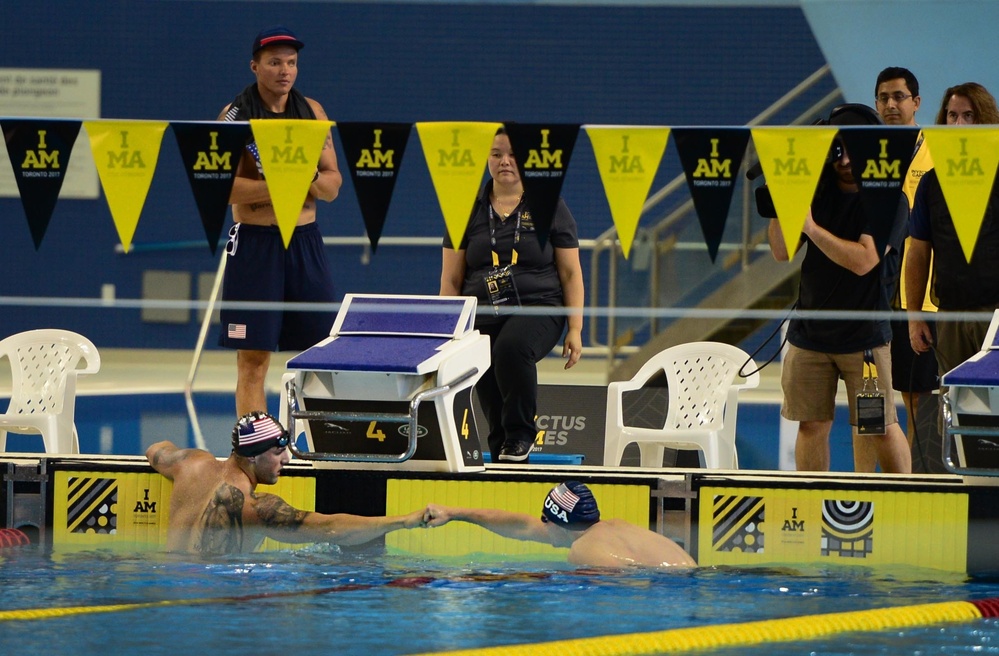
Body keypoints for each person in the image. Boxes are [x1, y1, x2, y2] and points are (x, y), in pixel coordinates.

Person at [767, 104, 911, 473]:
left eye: (853, 149)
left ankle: (904, 502)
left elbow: (865, 260)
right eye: (837, 149)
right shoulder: (818, 190)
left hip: (863, 339)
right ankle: (813, 506)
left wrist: (813, 229)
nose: (844, 159)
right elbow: (782, 252)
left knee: (877, 425)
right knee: (811, 425)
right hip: (810, 333)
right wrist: (786, 200)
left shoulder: (889, 198)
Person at [217, 26, 342, 417]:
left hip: (304, 242)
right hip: (256, 243)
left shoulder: (313, 114)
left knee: (320, 353)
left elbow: (333, 184)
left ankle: (320, 441)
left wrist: (301, 180)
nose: (284, 71)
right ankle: (255, 450)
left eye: (291, 63)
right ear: (255, 67)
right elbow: (221, 189)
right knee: (253, 360)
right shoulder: (234, 118)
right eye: (274, 63)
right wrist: (283, 184)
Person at [440, 128, 584, 463]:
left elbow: (571, 273)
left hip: (539, 308)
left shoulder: (549, 205)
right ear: (486, 159)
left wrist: (575, 329)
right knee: (483, 357)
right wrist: (448, 332)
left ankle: (521, 434)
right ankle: (502, 443)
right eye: (496, 154)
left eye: (513, 154)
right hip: (482, 310)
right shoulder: (463, 208)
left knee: (511, 347)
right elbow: (452, 278)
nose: (505, 161)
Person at [146, 411, 428, 555]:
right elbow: (332, 529)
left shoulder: (189, 464)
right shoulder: (256, 508)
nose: (287, 460)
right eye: (278, 452)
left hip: (169, 581)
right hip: (212, 603)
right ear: (254, 456)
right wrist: (401, 521)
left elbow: (156, 450)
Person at [907, 82, 999, 380]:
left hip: (995, 314)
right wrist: (914, 317)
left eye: (969, 116)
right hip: (950, 314)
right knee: (954, 411)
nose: (959, 124)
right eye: (952, 116)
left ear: (986, 122)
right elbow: (918, 252)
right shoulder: (932, 183)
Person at [873, 67, 939, 456]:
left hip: (926, 293)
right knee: (895, 398)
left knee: (925, 397)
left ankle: (927, 478)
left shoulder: (933, 149)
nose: (891, 105)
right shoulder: (869, 153)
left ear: (916, 102)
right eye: (883, 98)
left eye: (899, 97)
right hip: (881, 292)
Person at [424, 481, 696, 568]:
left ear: (557, 522)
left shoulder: (583, 550)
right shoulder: (611, 527)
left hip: (672, 590)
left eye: (544, 518)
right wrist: (455, 513)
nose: (539, 524)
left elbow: (634, 587)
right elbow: (520, 526)